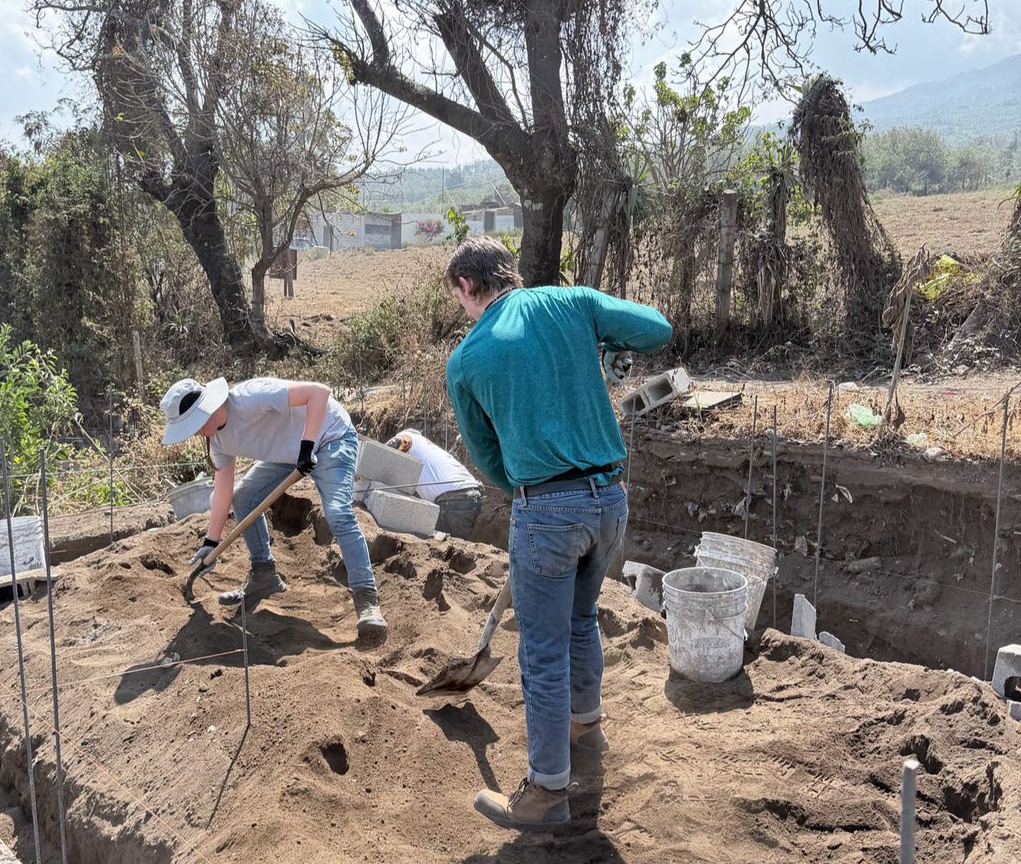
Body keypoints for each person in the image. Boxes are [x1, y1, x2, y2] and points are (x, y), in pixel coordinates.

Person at [443, 237, 671, 829]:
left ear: (468, 287)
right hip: (610, 502)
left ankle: (546, 791)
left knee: (540, 651)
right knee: (579, 621)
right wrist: (601, 332)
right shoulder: (571, 303)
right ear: (508, 274)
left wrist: (525, 492)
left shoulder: (467, 360)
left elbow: (488, 459)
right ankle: (586, 731)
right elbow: (656, 328)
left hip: (546, 510)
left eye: (459, 300)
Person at [160, 376, 388, 646]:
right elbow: (223, 491)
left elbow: (319, 393)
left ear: (208, 408)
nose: (197, 432)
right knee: (244, 497)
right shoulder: (217, 441)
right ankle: (264, 573)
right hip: (288, 455)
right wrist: (211, 542)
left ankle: (367, 601)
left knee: (338, 513)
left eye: (195, 424)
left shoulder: (250, 398)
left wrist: (307, 446)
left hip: (329, 437)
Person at [385, 429, 483, 539]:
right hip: (473, 494)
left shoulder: (407, 438)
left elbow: (396, 443)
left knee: (446, 548)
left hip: (452, 500)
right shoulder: (428, 452)